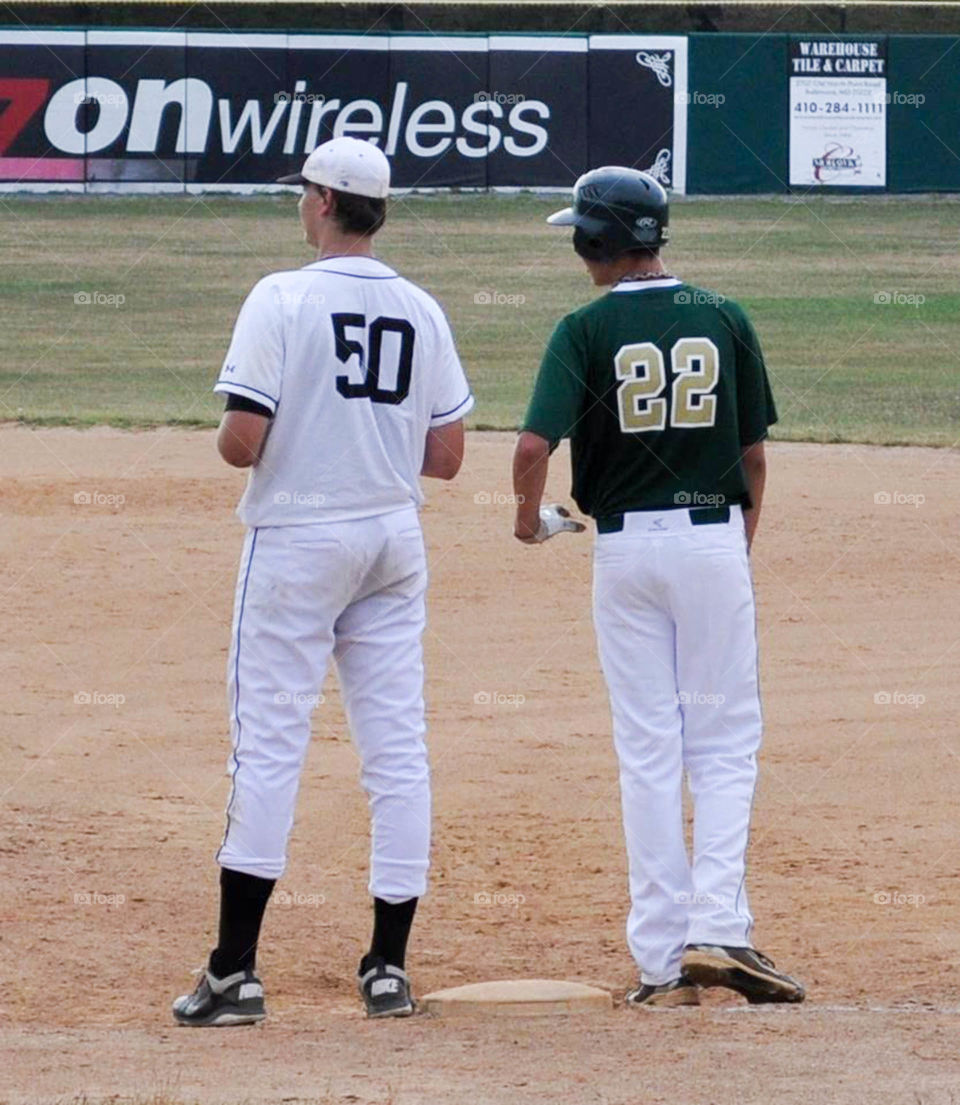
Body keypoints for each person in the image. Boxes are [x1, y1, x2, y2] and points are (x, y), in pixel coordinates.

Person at [173, 136, 473, 1025]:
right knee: (396, 749)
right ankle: (387, 968)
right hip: (392, 539)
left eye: (303, 192)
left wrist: (268, 430)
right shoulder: (421, 306)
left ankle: (234, 973)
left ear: (324, 204)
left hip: (300, 540)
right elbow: (448, 457)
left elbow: (243, 441)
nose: (299, 203)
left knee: (268, 743)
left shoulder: (282, 296)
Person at [512, 166, 804, 1008]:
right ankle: (721, 926)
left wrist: (530, 519)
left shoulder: (583, 328)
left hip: (624, 554)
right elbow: (753, 458)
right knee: (723, 743)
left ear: (592, 241)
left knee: (647, 748)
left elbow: (533, 449)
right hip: (712, 540)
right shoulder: (723, 317)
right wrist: (730, 551)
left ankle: (661, 964)